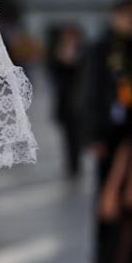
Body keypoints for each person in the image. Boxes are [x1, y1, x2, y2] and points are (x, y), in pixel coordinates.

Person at [82, 0, 132, 263]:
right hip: (108, 134)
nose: (130, 22)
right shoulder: (100, 49)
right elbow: (89, 92)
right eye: (125, 16)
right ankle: (106, 258)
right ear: (114, 17)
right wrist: (93, 136)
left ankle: (128, 256)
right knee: (107, 192)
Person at [45, 22, 85, 177]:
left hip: (80, 101)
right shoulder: (55, 53)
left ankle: (76, 162)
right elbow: (52, 72)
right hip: (64, 101)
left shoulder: (84, 53)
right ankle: (71, 163)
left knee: (77, 134)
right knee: (68, 135)